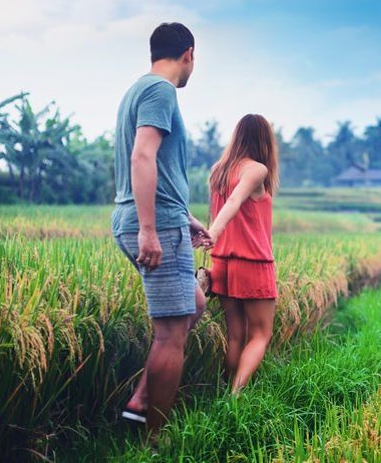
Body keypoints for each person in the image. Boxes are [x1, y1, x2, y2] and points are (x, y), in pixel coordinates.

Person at [110, 22, 209, 439]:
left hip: (159, 218)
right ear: (189, 53)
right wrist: (151, 230)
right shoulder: (159, 91)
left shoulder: (137, 89)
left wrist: (185, 217)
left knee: (195, 302)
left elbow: (159, 167)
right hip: (152, 224)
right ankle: (155, 439)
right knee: (170, 335)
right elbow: (142, 157)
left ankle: (141, 398)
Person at [192, 114, 279, 394]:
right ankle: (235, 397)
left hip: (224, 264)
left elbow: (223, 202)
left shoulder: (219, 170)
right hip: (253, 264)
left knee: (236, 336)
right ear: (265, 140)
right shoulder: (257, 170)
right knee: (260, 336)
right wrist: (213, 233)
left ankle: (225, 391)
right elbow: (234, 201)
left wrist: (213, 237)